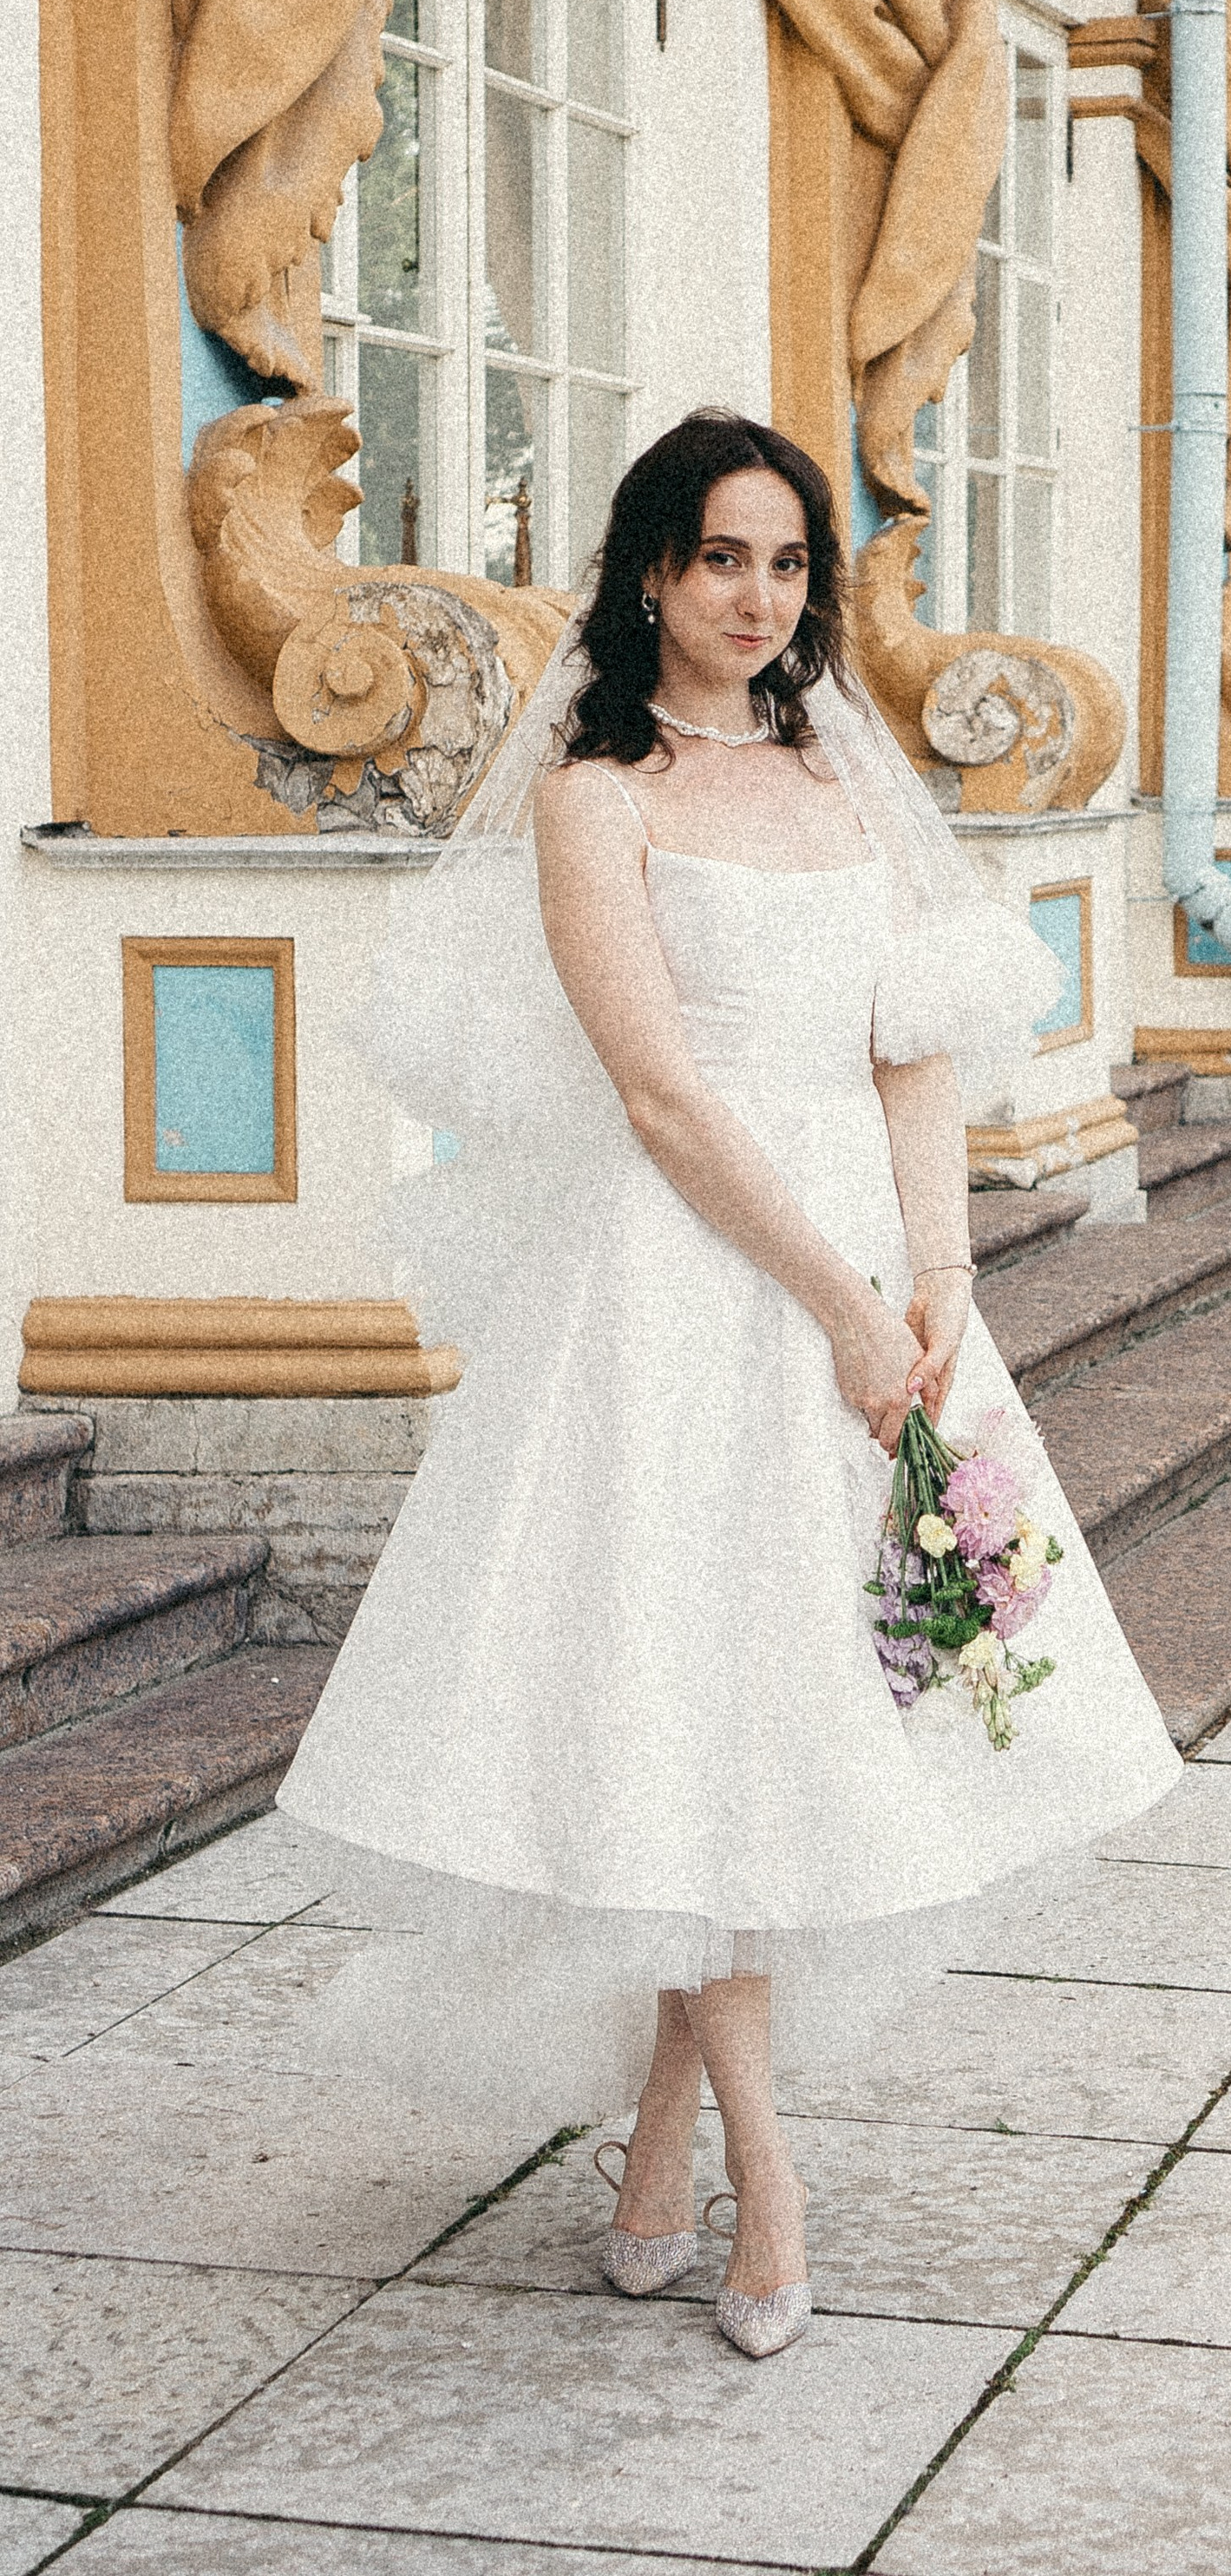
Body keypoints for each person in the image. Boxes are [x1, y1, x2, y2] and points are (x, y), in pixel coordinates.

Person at [278, 410, 1182, 2360]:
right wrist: (838, 1311)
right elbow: (665, 1102)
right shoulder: (594, 795)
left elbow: (915, 1047)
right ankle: (769, 2185)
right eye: (715, 561)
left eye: (783, 563)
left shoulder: (841, 774)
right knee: (685, 1713)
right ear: (648, 573)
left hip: (871, 1274)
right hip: (681, 1291)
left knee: (784, 1722)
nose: (753, 598)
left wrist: (931, 1285)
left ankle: (658, 2156)